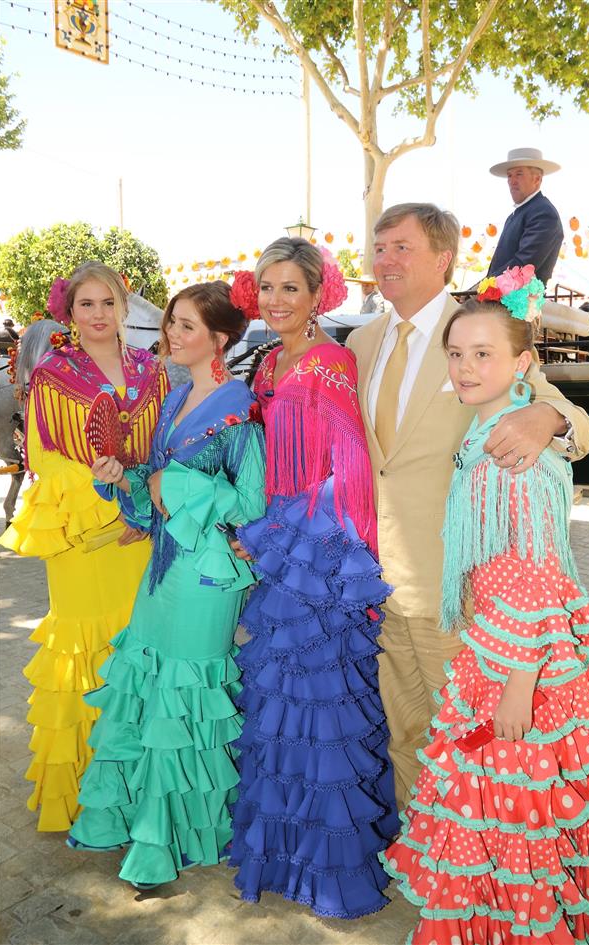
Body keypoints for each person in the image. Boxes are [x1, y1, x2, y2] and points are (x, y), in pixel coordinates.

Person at [380, 269, 589, 945]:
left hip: (520, 667)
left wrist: (519, 682)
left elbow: (540, 575)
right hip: (494, 646)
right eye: (456, 353)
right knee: (500, 818)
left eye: (482, 353)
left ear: (522, 363)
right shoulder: (487, 431)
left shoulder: (514, 453)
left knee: (512, 816)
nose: (464, 366)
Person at [346, 203, 589, 811]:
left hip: (457, 595)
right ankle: (424, 859)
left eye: (402, 248)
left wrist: (547, 417)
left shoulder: (479, 331)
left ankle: (474, 870)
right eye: (380, 248)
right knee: (403, 733)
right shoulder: (360, 339)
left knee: (471, 743)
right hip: (377, 583)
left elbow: (580, 428)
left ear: (442, 259)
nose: (386, 261)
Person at [65, 282, 266, 889]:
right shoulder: (177, 398)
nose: (171, 336)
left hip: (207, 575)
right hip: (163, 568)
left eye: (185, 327)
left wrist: (176, 487)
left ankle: (174, 835)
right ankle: (136, 822)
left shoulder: (240, 409)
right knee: (149, 687)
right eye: (170, 324)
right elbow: (155, 493)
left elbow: (254, 505)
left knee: (188, 694)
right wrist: (124, 478)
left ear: (219, 339)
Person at [227, 239, 399, 919]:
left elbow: (348, 464)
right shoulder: (269, 360)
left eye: (289, 288)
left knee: (324, 710)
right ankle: (286, 851)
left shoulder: (330, 361)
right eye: (266, 287)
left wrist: (296, 536)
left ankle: (332, 866)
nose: (274, 301)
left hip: (317, 555)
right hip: (276, 550)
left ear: (317, 293)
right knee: (279, 705)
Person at [0, 262, 167, 831]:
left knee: (137, 652)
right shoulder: (52, 373)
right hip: (81, 537)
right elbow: (45, 461)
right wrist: (110, 508)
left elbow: (162, 451)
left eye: (108, 302)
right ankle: (85, 800)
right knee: (83, 658)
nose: (98, 315)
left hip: (138, 538)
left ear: (124, 307)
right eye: (86, 305)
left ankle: (137, 793)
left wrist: (144, 512)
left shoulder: (151, 369)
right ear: (68, 313)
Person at [487, 147, 564, 285]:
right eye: (509, 175)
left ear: (537, 179)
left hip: (521, 303)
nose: (512, 181)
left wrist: (479, 290)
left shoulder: (543, 213)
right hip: (502, 300)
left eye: (519, 174)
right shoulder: (516, 215)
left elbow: (522, 265)